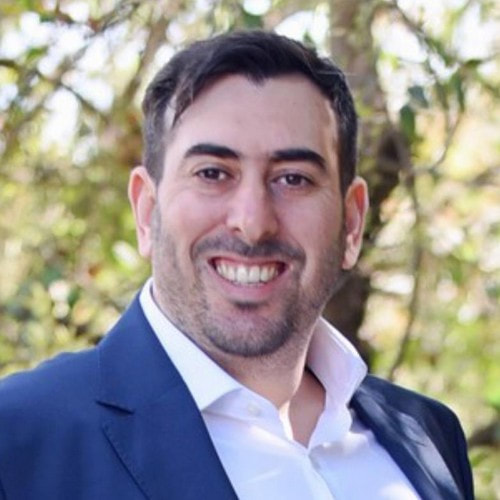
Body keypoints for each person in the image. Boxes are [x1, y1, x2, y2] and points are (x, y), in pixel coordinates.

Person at [0, 30, 473, 500]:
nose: (253, 223)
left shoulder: (428, 436)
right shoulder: (20, 444)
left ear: (351, 222)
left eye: (293, 178)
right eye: (212, 173)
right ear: (147, 211)